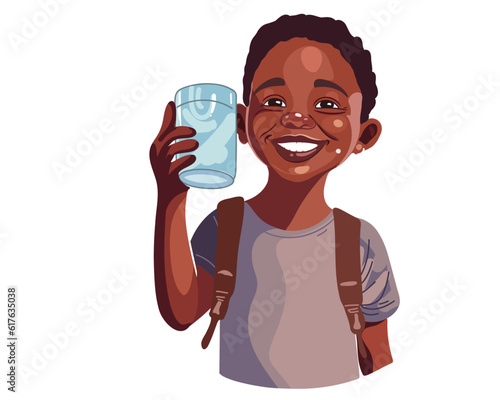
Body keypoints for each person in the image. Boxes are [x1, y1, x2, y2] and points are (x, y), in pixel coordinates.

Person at [150, 14, 400, 388]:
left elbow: (377, 354)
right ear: (242, 124)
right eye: (275, 100)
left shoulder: (360, 241)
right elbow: (182, 313)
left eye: (328, 105)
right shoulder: (225, 225)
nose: (296, 118)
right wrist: (171, 198)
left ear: (364, 134)